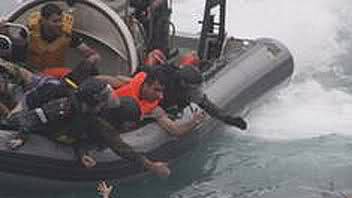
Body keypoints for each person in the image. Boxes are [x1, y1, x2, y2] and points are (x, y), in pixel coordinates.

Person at [8, 78, 171, 177]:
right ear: (92, 102)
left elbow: (112, 143)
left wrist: (81, 153)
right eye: (102, 101)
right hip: (30, 122)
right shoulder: (64, 107)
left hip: (51, 133)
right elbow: (30, 119)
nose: (104, 106)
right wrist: (21, 137)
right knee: (13, 121)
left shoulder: (91, 119)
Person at [114, 68, 208, 137]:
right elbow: (116, 79)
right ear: (146, 85)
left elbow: (175, 130)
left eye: (161, 91)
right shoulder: (136, 80)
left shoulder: (154, 109)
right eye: (156, 90)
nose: (160, 96)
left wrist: (194, 121)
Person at [21, 3, 100, 71]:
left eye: (60, 20)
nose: (59, 24)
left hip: (55, 75)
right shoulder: (29, 30)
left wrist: (89, 61)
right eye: (55, 21)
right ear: (43, 20)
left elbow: (93, 54)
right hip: (32, 73)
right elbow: (17, 46)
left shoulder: (67, 34)